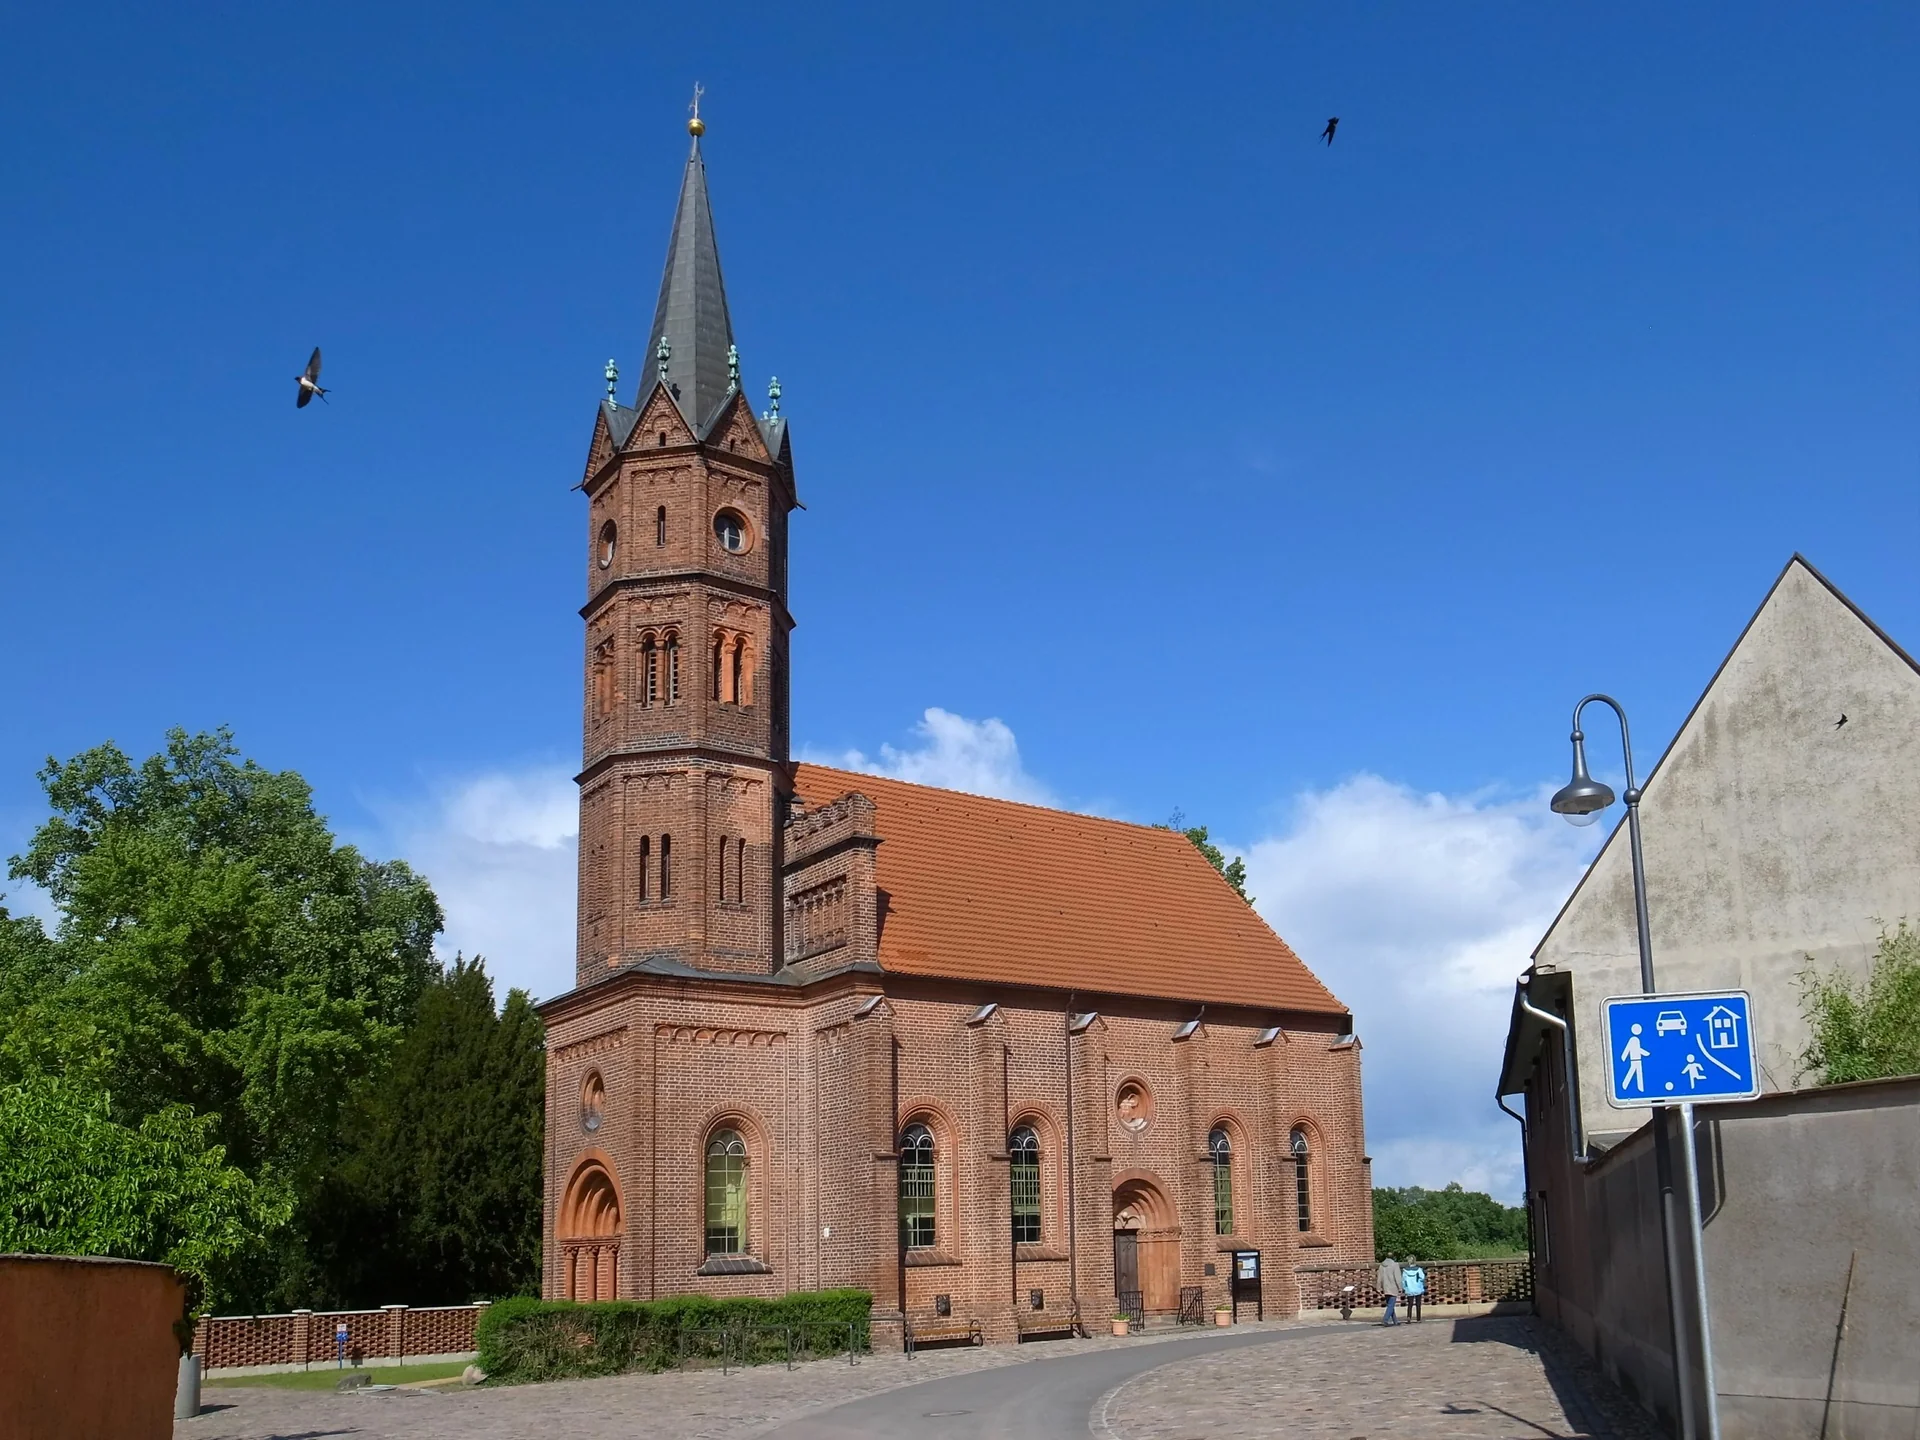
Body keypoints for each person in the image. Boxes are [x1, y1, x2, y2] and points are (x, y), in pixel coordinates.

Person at [1376, 1254, 1404, 1325]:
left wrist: (1378, 1288)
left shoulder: (1382, 1265)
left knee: (1390, 1305)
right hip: (1393, 1287)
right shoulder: (1395, 1265)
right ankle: (1385, 1320)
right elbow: (1397, 1278)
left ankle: (1395, 1321)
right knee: (1391, 1306)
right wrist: (1400, 1287)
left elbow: (1379, 1278)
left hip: (1385, 1287)